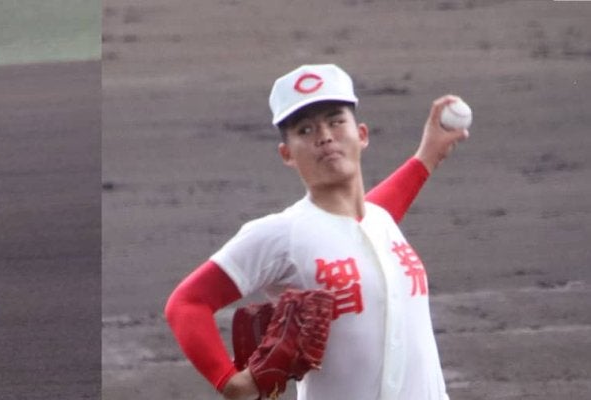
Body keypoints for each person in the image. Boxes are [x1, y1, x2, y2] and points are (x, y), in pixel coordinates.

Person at [165, 64, 469, 400]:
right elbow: (186, 303)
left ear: (362, 135)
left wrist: (428, 156)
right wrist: (231, 382)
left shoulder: (378, 221)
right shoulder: (282, 234)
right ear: (287, 154)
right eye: (305, 130)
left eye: (335, 121)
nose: (324, 136)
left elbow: (356, 223)